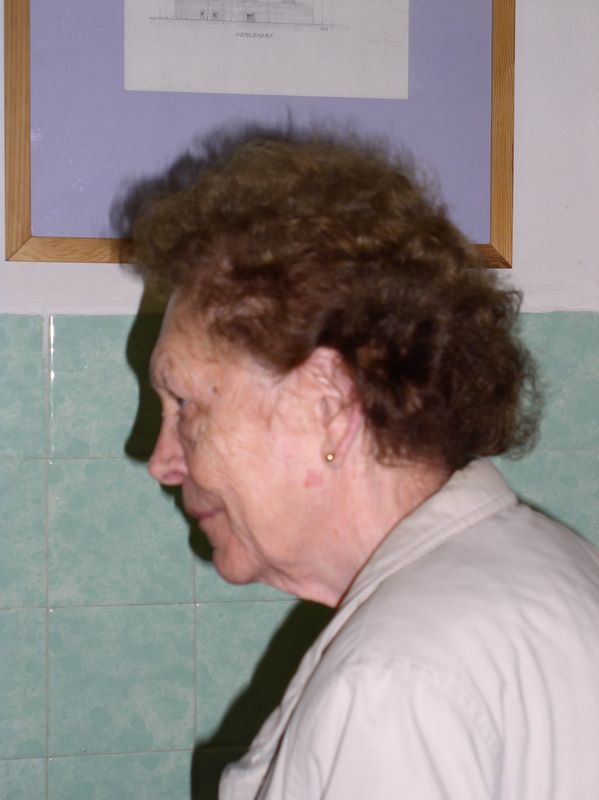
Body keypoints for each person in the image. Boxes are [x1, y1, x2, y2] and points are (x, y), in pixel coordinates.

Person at [132, 133, 599, 798]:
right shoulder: (556, 563)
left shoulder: (390, 685)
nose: (161, 461)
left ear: (326, 404)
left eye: (184, 404)